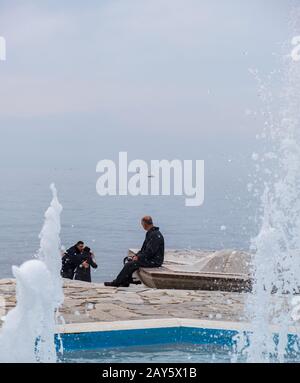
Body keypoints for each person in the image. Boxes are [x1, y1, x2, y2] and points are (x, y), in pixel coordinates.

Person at [104, 216, 164, 287]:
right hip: (150, 258)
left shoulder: (155, 235)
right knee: (129, 260)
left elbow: (150, 252)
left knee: (130, 264)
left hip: (155, 261)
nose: (142, 226)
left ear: (145, 224)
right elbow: (143, 249)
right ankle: (125, 282)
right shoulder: (150, 233)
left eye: (142, 224)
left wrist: (139, 257)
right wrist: (136, 255)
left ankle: (116, 283)